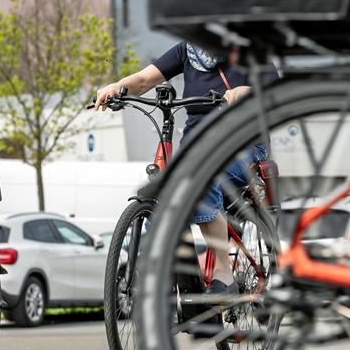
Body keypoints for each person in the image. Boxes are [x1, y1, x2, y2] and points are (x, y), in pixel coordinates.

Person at [94, 42, 256, 295]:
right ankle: (175, 284)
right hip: (196, 146)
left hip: (242, 145)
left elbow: (269, 88)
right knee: (163, 192)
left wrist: (243, 92)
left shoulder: (247, 43)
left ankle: (224, 274)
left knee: (202, 180)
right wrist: (117, 86)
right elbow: (144, 79)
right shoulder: (187, 51)